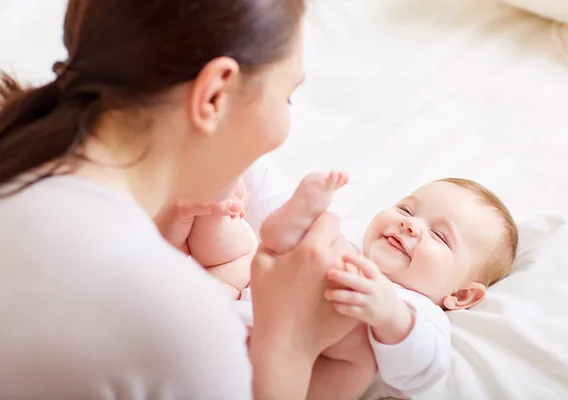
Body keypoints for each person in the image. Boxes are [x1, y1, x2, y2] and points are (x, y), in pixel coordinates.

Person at [0, 0, 374, 398]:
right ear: (215, 94)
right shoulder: (182, 324)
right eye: (287, 97)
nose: (284, 126)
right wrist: (290, 345)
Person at [227, 174, 518, 399]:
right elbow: (271, 201)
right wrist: (249, 167)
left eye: (440, 236)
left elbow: (423, 370)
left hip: (275, 383)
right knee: (250, 237)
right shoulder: (344, 250)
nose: (410, 225)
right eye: (406, 209)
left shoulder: (416, 310)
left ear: (461, 295)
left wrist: (390, 315)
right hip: (231, 321)